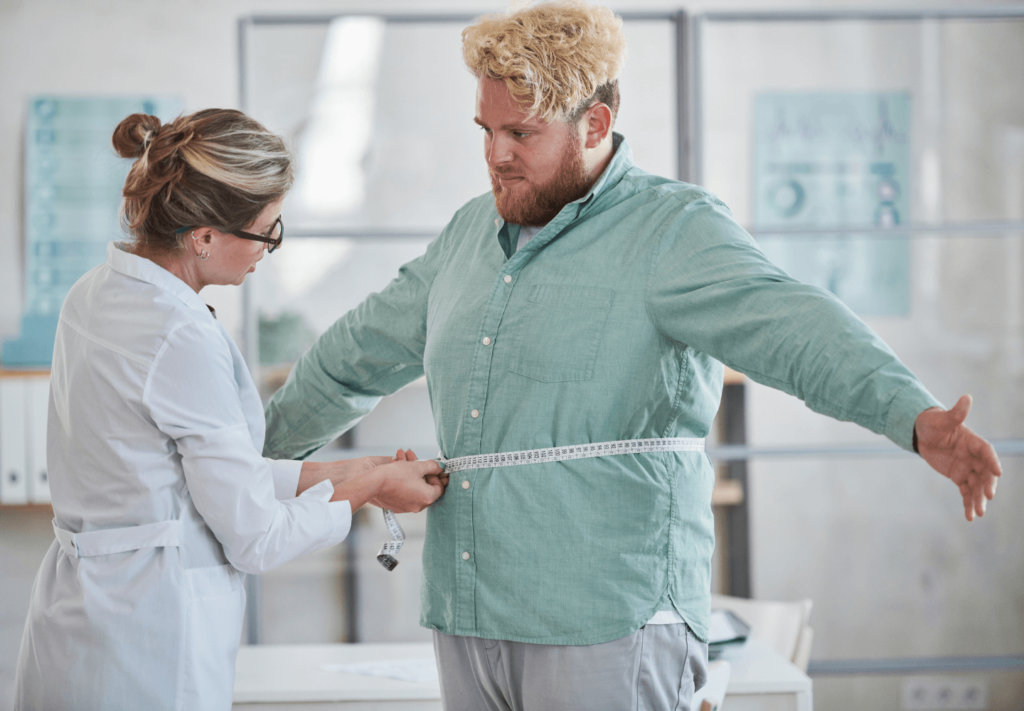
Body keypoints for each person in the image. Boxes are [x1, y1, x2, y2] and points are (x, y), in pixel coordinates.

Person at [262, 3, 1002, 709]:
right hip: (469, 609)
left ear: (597, 123)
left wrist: (912, 416)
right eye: (484, 130)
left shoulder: (671, 230)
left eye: (521, 134)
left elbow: (796, 328)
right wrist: (238, 462)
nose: (495, 156)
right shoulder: (467, 235)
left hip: (609, 614)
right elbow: (350, 358)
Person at [13, 109, 446, 711]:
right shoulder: (178, 335)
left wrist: (357, 472)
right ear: (205, 236)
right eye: (266, 232)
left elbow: (200, 475)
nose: (269, 248)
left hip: (78, 619)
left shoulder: (95, 293)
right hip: (150, 641)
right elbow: (256, 539)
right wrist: (370, 486)